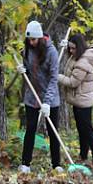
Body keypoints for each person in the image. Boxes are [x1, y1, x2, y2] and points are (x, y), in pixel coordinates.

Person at [16, 21, 61, 173]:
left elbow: (54, 79)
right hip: (32, 98)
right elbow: (29, 74)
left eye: (34, 40)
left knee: (53, 130)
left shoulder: (51, 52)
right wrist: (23, 71)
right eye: (29, 40)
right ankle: (25, 164)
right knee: (30, 128)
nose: (31, 42)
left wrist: (47, 102)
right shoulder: (27, 50)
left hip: (50, 98)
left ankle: (56, 164)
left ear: (40, 39)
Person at [58, 34, 93, 166]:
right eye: (69, 48)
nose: (71, 51)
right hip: (78, 99)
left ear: (79, 47)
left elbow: (73, 82)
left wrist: (57, 77)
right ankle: (83, 155)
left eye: (73, 48)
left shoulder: (83, 62)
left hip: (84, 101)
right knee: (81, 129)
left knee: (87, 129)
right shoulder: (75, 57)